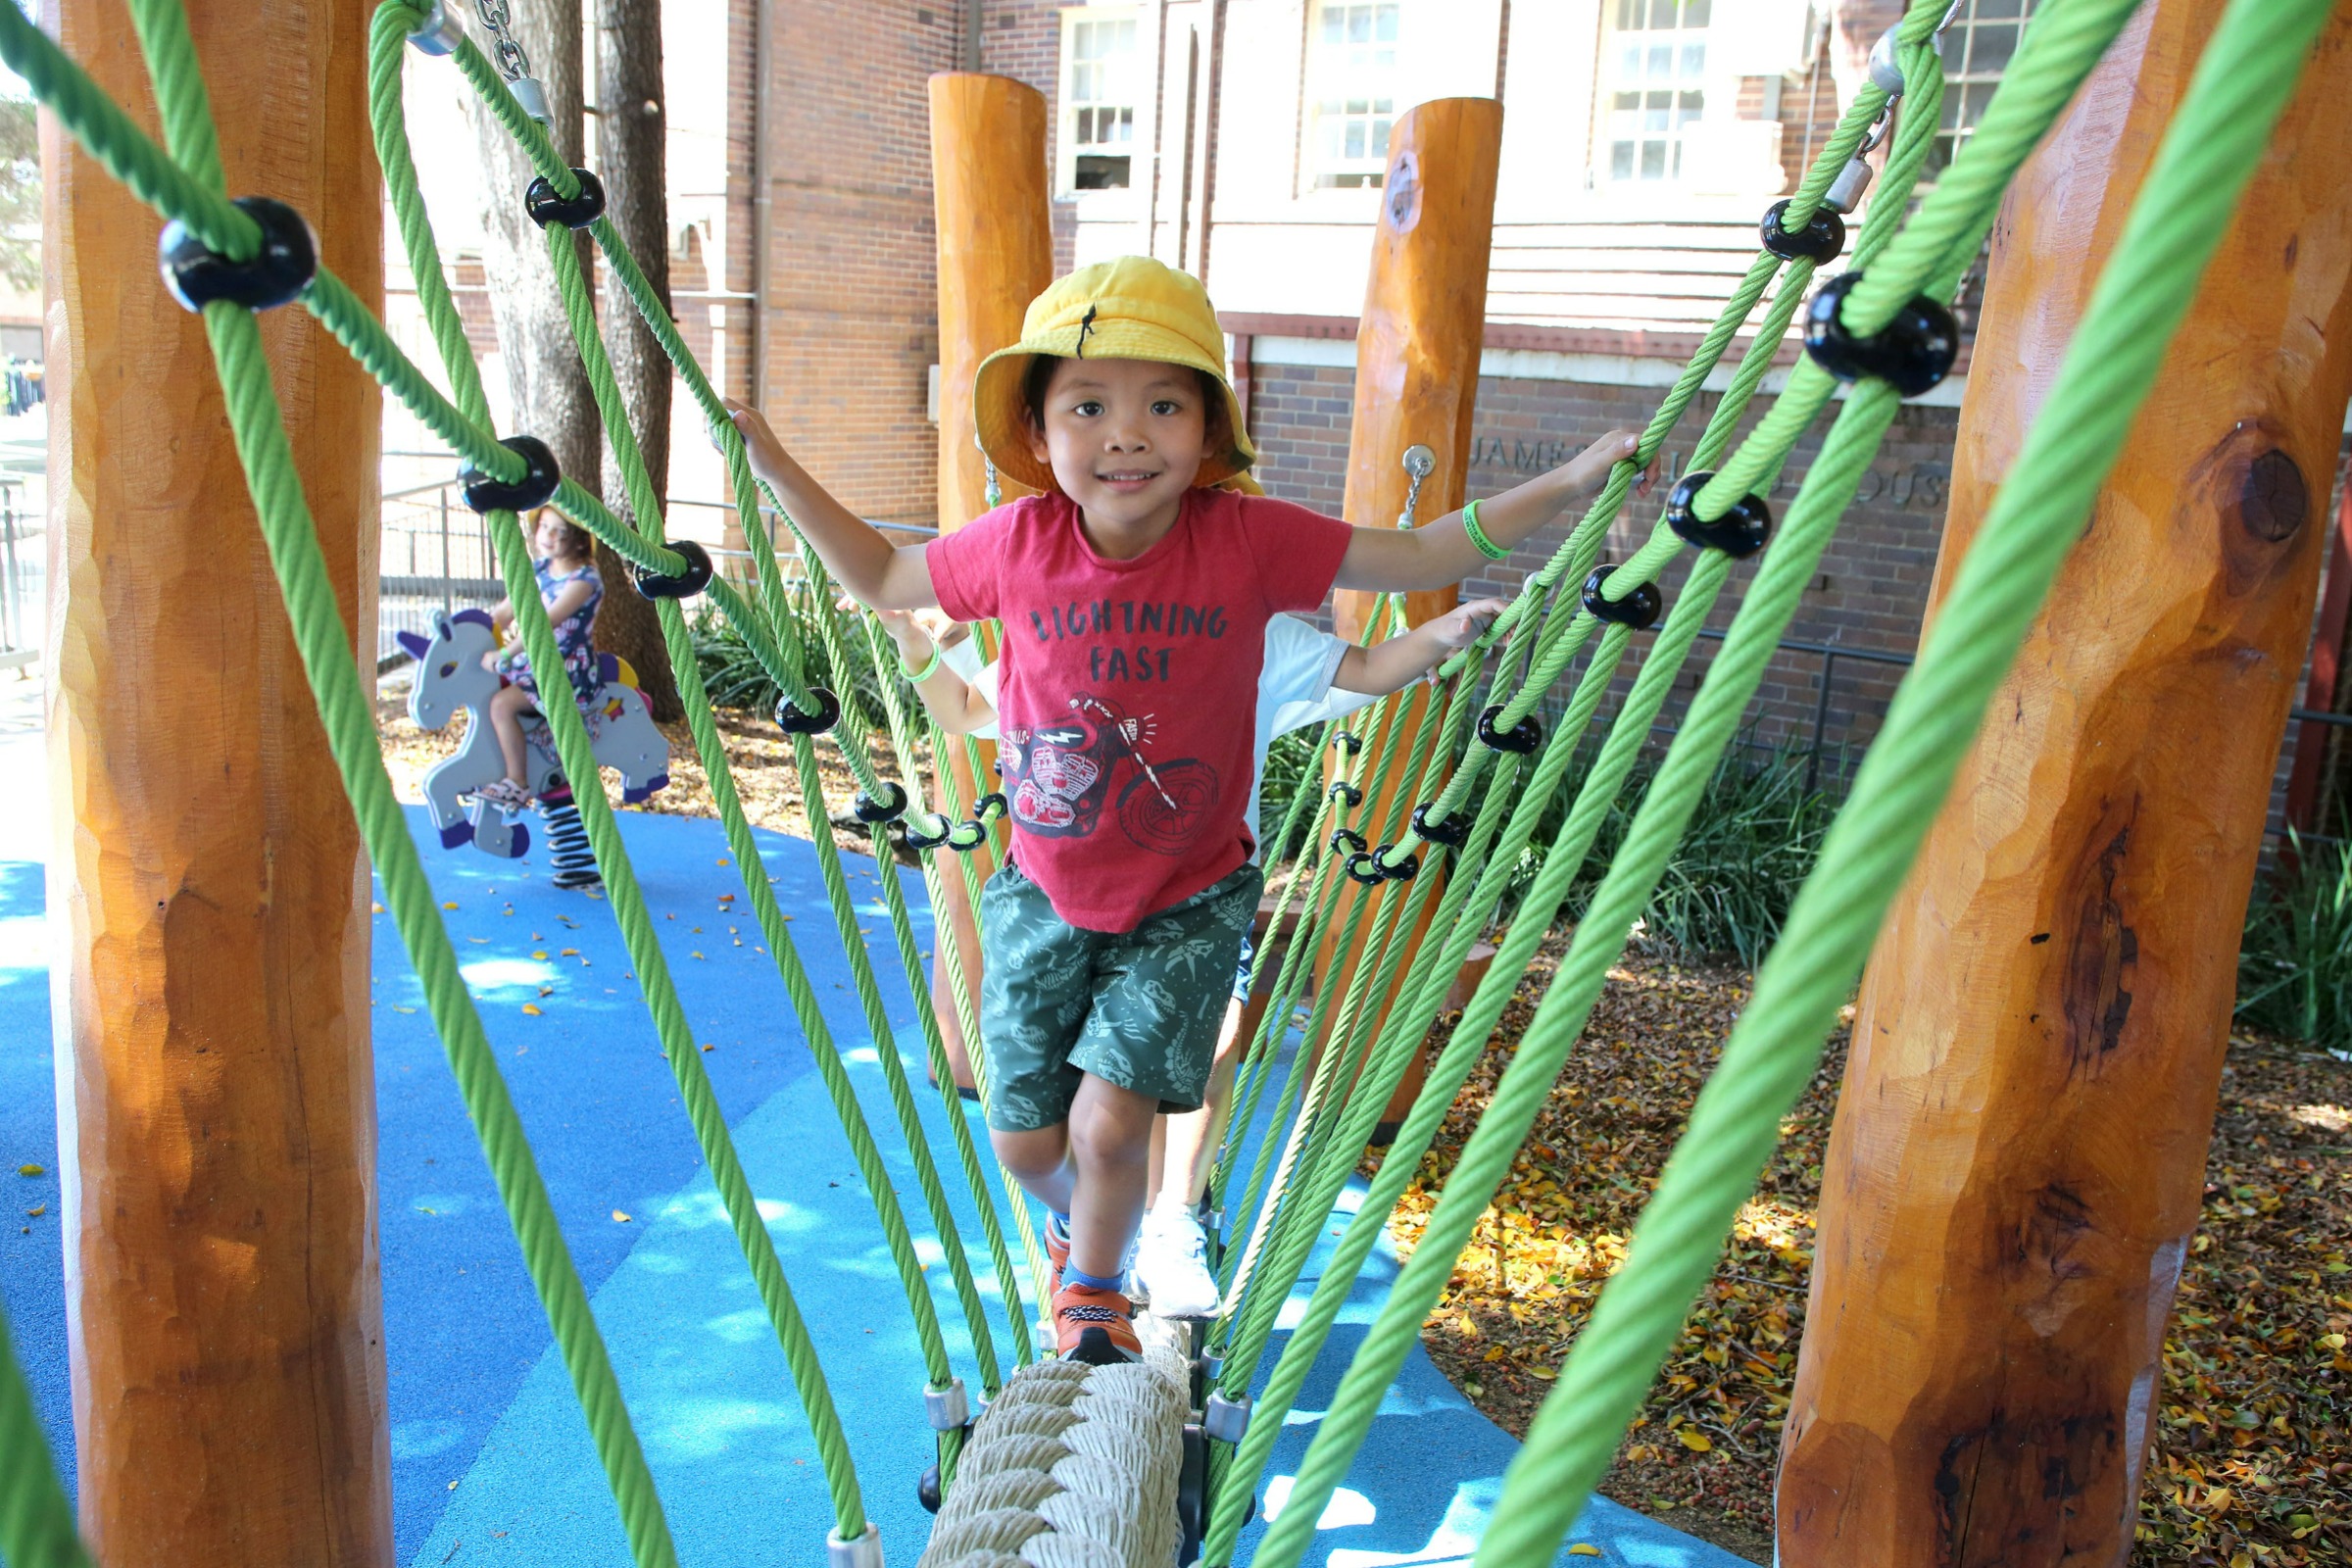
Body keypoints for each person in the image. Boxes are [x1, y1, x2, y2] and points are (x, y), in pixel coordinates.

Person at [724, 253, 1644, 1361]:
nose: (1127, 433)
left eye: (1165, 403)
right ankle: (1084, 1231)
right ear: (1040, 431)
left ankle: (1097, 1291)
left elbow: (1415, 551)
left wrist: (1565, 484)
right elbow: (881, 577)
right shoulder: (1016, 546)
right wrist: (775, 465)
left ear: (1209, 433)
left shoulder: (1245, 542)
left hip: (1189, 899)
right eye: (1089, 405)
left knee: (1115, 1122)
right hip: (1043, 897)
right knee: (1025, 1145)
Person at [869, 599, 1505, 1316]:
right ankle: (1094, 1215)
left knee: (1209, 1046)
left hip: (1202, 897)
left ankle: (1171, 1219)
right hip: (1077, 897)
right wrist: (941, 652)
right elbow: (994, 705)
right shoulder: (1074, 613)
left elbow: (1360, 674)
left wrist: (1435, 641)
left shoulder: (1252, 628)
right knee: (1073, 1091)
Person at [469, 508, 604, 810]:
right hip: (532, 662)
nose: (548, 536)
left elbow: (543, 622)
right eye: (544, 527)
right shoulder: (539, 569)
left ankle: (517, 783)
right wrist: (472, 638)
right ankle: (494, 763)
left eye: (559, 531)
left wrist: (505, 653)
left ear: (580, 540)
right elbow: (504, 613)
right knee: (484, 691)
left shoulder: (585, 580)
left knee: (501, 705)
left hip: (564, 668)